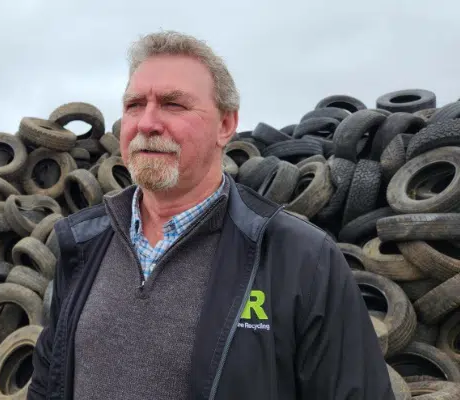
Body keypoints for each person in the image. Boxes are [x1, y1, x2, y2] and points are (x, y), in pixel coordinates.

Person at [27, 30, 394, 400]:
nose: (147, 123)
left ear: (225, 125)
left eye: (174, 104)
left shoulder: (300, 258)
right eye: (135, 105)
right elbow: (47, 383)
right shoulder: (84, 244)